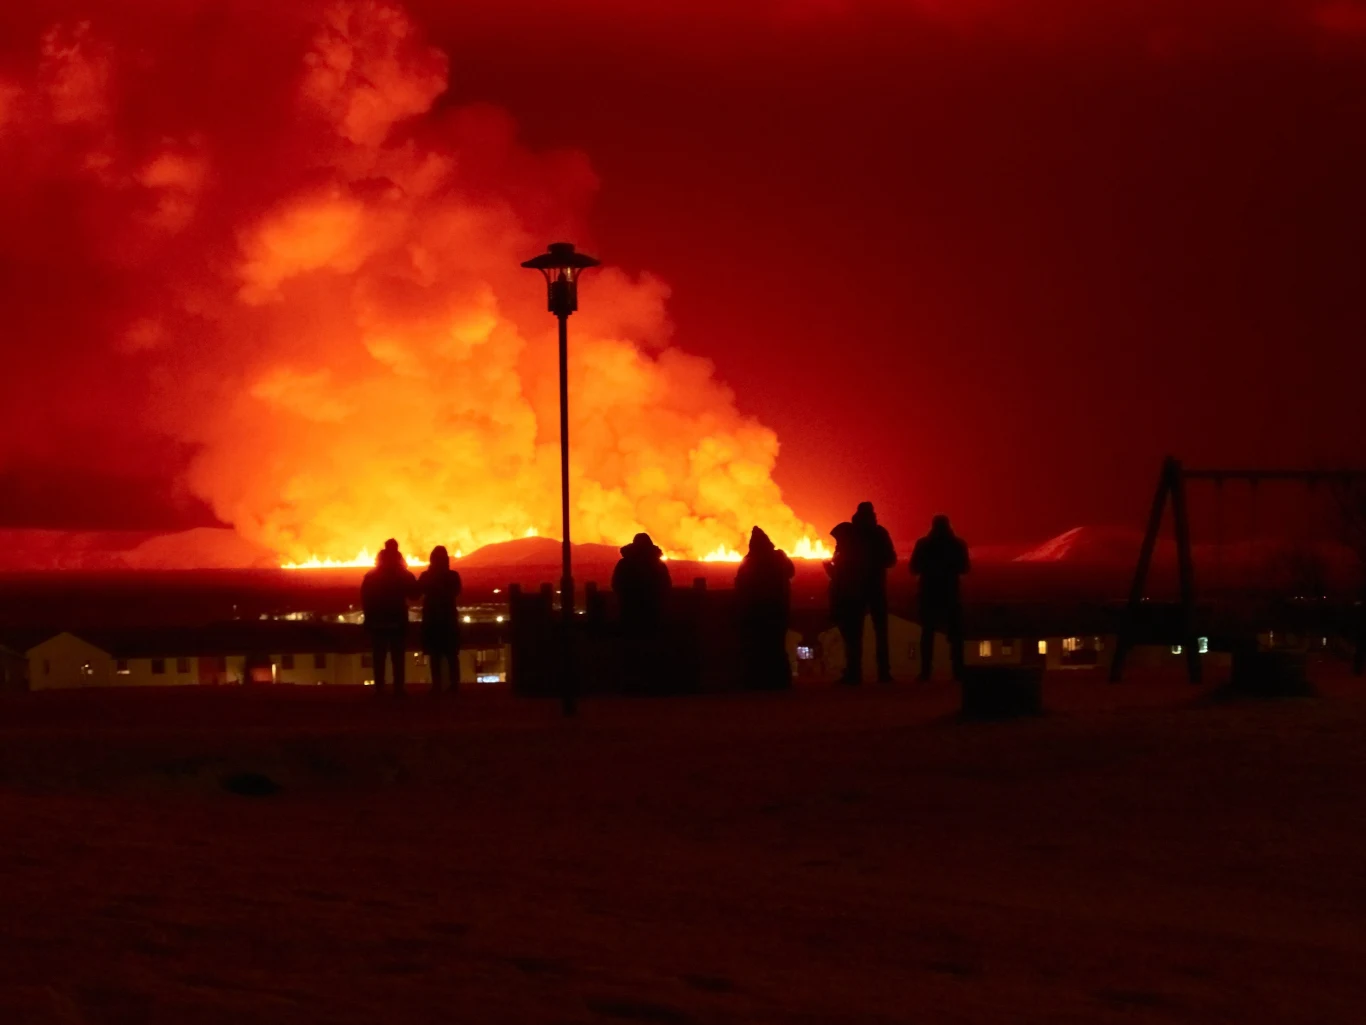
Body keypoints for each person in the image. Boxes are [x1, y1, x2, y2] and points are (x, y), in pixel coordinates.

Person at [826, 502, 897, 684]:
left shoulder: (848, 534)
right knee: (881, 632)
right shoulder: (880, 533)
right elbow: (891, 560)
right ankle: (884, 673)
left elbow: (840, 561)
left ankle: (854, 672)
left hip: (854, 590)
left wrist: (834, 572)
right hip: (876, 588)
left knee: (854, 633)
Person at [910, 514, 970, 681]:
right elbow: (965, 568)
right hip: (950, 593)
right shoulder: (958, 544)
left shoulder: (923, 544)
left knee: (927, 633)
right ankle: (958, 670)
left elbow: (914, 567)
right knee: (956, 635)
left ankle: (926, 671)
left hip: (928, 593)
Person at [734, 526, 796, 690]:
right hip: (778, 608)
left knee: (760, 645)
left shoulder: (750, 561)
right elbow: (791, 572)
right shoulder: (779, 557)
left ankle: (761, 681)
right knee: (777, 645)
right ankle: (781, 681)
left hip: (758, 609)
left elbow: (740, 582)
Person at [361, 539, 418, 695]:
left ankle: (379, 688)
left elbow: (365, 598)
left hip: (377, 621)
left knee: (379, 656)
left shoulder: (371, 575)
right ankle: (398, 688)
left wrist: (368, 618)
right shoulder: (403, 573)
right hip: (397, 620)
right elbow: (415, 594)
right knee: (397, 656)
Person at [419, 545, 462, 695]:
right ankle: (454, 686)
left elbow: (418, 592)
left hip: (432, 620)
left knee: (435, 655)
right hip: (448, 619)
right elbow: (457, 591)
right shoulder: (453, 576)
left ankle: (437, 686)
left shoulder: (426, 576)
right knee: (451, 655)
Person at [611, 533, 672, 635]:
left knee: (630, 638)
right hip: (652, 609)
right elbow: (666, 585)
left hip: (629, 608)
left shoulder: (624, 563)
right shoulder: (658, 564)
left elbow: (616, 583)